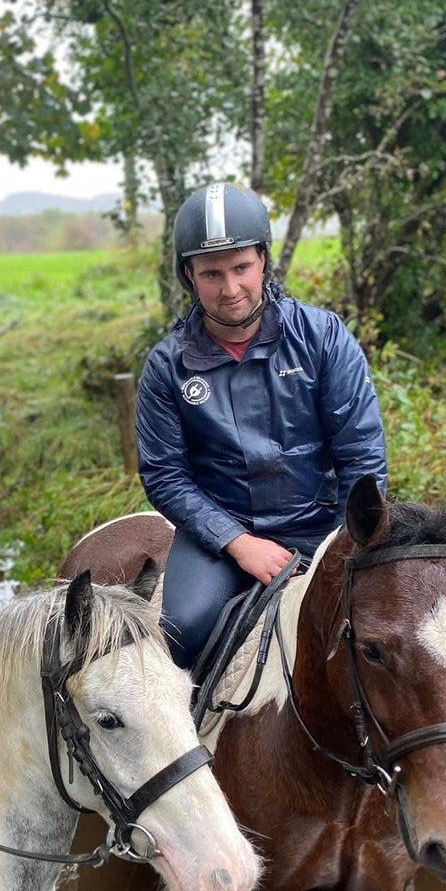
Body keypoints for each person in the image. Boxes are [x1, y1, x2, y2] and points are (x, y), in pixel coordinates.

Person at [135, 181, 388, 672]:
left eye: (241, 268)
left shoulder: (323, 338)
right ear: (189, 274)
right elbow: (164, 476)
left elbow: (361, 457)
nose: (230, 289)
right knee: (182, 629)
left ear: (264, 261)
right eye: (212, 273)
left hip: (321, 527)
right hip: (220, 536)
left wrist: (343, 545)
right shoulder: (167, 367)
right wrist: (238, 543)